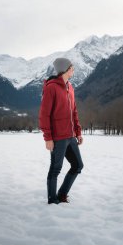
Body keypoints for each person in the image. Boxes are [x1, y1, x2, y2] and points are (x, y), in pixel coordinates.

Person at [39, 57, 84, 204]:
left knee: (78, 165)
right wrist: (48, 138)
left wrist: (78, 131)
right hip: (58, 137)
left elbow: (74, 112)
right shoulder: (51, 87)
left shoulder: (70, 87)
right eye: (71, 67)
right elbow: (44, 115)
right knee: (55, 169)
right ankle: (52, 199)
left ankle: (62, 194)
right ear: (64, 69)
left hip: (70, 136)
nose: (73, 69)